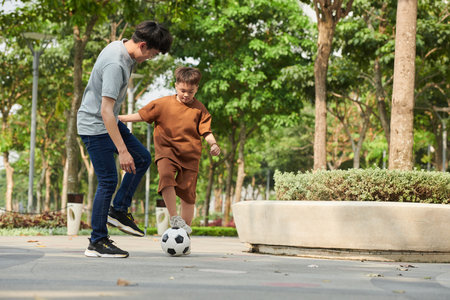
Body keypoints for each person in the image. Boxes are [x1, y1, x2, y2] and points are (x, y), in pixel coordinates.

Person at [77, 21, 173, 258]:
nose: (151, 58)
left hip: (106, 122)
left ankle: (118, 210)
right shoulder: (116, 64)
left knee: (142, 158)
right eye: (152, 54)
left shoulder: (121, 49)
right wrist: (122, 150)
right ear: (142, 45)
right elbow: (106, 111)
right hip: (95, 126)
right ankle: (97, 242)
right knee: (108, 180)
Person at [119, 66, 221, 239]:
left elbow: (206, 131)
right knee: (166, 176)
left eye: (191, 91)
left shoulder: (200, 109)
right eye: (183, 90)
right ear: (176, 86)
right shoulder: (163, 104)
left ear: (197, 89)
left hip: (190, 156)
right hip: (166, 151)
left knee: (188, 195)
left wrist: (213, 144)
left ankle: (184, 234)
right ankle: (174, 218)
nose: (186, 95)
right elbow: (142, 116)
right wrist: (119, 118)